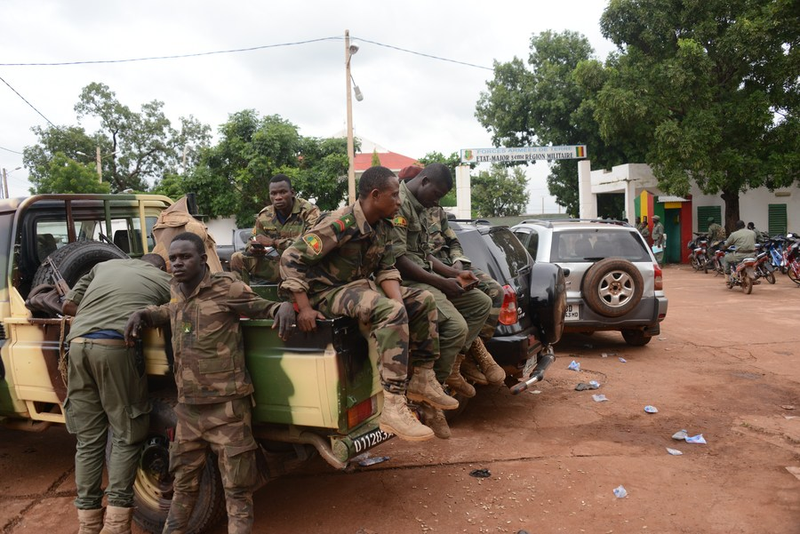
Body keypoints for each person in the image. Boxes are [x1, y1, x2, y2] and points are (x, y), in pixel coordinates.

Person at [125, 232, 296, 534]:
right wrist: (145, 314)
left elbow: (261, 307)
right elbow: (172, 310)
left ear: (203, 260)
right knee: (183, 486)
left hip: (227, 410)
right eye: (173, 258)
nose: (177, 263)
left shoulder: (226, 288)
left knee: (238, 491)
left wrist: (284, 307)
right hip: (188, 410)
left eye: (185, 257)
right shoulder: (176, 288)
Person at [280, 165, 443, 442]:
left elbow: (387, 268)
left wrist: (399, 304)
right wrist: (304, 307)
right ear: (376, 195)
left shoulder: (384, 224)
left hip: (357, 287)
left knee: (423, 300)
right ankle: (393, 404)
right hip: (327, 292)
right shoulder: (340, 223)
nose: (399, 201)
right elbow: (290, 258)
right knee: (390, 311)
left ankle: (423, 378)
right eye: (394, 196)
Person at [62, 254, 172, 534]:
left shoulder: (103, 265)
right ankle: (115, 526)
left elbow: (69, 304)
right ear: (162, 267)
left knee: (88, 440)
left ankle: (87, 526)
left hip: (76, 346)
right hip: (115, 346)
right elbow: (183, 309)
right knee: (126, 434)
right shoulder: (164, 279)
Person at [392, 163, 493, 439]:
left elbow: (426, 255)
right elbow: (399, 260)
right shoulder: (399, 204)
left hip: (427, 275)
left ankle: (452, 370)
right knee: (457, 327)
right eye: (436, 194)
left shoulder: (424, 206)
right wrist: (442, 282)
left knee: (481, 303)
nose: (437, 201)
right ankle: (428, 394)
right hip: (406, 281)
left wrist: (455, 273)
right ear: (423, 182)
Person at [230, 174, 320, 284]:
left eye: (283, 192)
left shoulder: (309, 211)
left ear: (292, 193)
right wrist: (253, 249)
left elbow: (311, 247)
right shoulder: (265, 215)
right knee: (238, 258)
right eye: (273, 193)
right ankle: (245, 298)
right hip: (280, 266)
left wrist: (274, 242)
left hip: (305, 268)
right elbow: (252, 240)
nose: (278, 197)